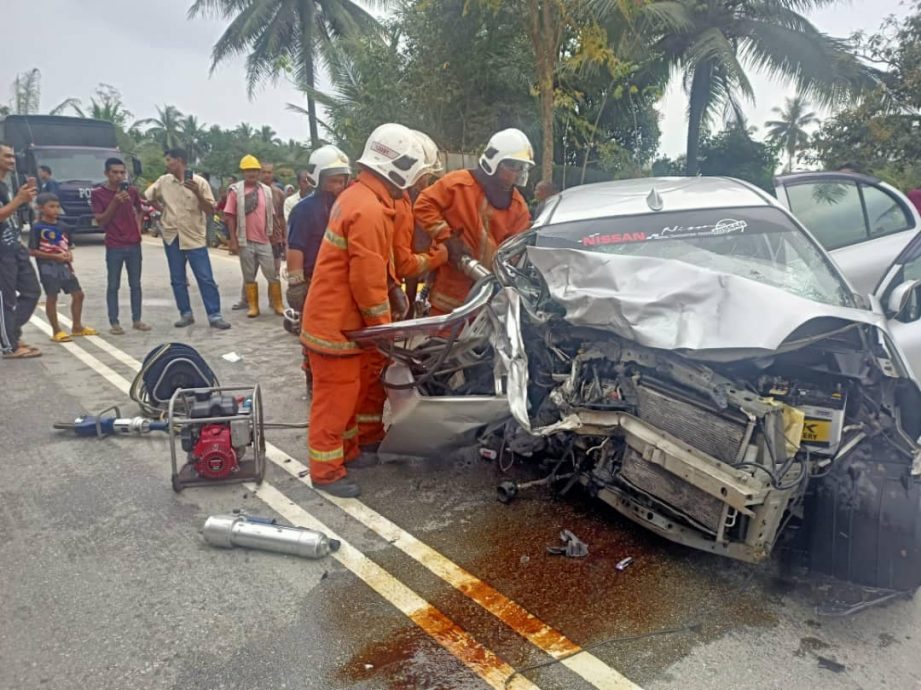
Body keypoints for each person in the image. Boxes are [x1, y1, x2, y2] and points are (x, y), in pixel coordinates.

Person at [301, 123, 427, 498]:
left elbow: (372, 266)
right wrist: (383, 329)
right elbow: (366, 280)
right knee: (335, 401)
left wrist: (392, 291)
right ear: (398, 168)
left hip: (342, 323)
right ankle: (326, 471)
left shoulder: (362, 198)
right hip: (336, 326)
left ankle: (350, 452)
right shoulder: (369, 209)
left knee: (351, 396)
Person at [414, 128, 534, 315]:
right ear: (495, 163)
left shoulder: (518, 207)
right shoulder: (459, 184)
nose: (517, 174)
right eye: (513, 167)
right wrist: (446, 237)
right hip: (449, 294)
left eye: (521, 168)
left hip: (490, 299)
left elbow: (516, 251)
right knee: (442, 342)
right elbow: (423, 205)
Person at [286, 146, 350, 391]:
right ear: (318, 179)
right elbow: (296, 248)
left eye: (342, 179)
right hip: (313, 281)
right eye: (333, 180)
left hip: (341, 280)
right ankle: (313, 379)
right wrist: (295, 284)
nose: (339, 185)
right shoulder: (304, 210)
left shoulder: (347, 205)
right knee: (312, 335)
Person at [144, 148, 230, 329]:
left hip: (193, 236)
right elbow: (148, 197)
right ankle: (185, 313)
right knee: (177, 278)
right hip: (172, 235)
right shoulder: (163, 181)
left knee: (205, 277)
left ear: (180, 161)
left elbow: (210, 210)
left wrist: (197, 193)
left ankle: (214, 315)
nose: (167, 164)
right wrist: (162, 210)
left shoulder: (200, 182)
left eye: (169, 160)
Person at [90, 157, 150, 335]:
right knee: (113, 284)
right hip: (114, 244)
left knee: (135, 284)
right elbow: (100, 220)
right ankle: (114, 321)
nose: (119, 176)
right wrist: (115, 202)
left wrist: (138, 227)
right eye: (114, 173)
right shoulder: (98, 193)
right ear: (106, 174)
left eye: (122, 172)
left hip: (133, 243)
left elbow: (140, 210)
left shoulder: (132, 191)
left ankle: (137, 319)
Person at [29, 193, 97, 342]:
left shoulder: (63, 226)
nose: (55, 210)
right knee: (52, 296)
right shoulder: (37, 228)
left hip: (65, 267)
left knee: (78, 294)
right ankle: (56, 330)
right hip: (48, 268)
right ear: (41, 208)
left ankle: (77, 326)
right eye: (51, 206)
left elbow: (68, 245)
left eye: (57, 206)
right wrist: (54, 257)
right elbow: (32, 251)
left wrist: (68, 254)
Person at [223, 154, 284, 317]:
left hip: (264, 240)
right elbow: (230, 216)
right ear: (243, 172)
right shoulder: (236, 191)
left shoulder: (266, 191)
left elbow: (271, 216)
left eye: (255, 171)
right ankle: (253, 306)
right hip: (245, 241)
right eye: (248, 170)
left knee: (272, 274)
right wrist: (233, 240)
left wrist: (275, 238)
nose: (252, 174)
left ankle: (278, 304)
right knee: (249, 276)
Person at [0, 143, 41, 359]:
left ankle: (10, 333)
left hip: (14, 247)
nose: (12, 160)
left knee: (32, 291)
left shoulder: (5, 185)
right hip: (1, 253)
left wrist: (22, 198)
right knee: (6, 299)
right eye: (7, 156)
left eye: (13, 156)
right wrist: (19, 200)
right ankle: (9, 346)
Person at [260, 161, 287, 274]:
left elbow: (281, 217)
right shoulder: (253, 192)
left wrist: (284, 237)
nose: (267, 175)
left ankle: (274, 291)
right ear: (260, 173)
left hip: (275, 238)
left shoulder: (279, 193)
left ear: (273, 174)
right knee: (250, 275)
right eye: (264, 172)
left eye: (269, 172)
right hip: (257, 238)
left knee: (275, 272)